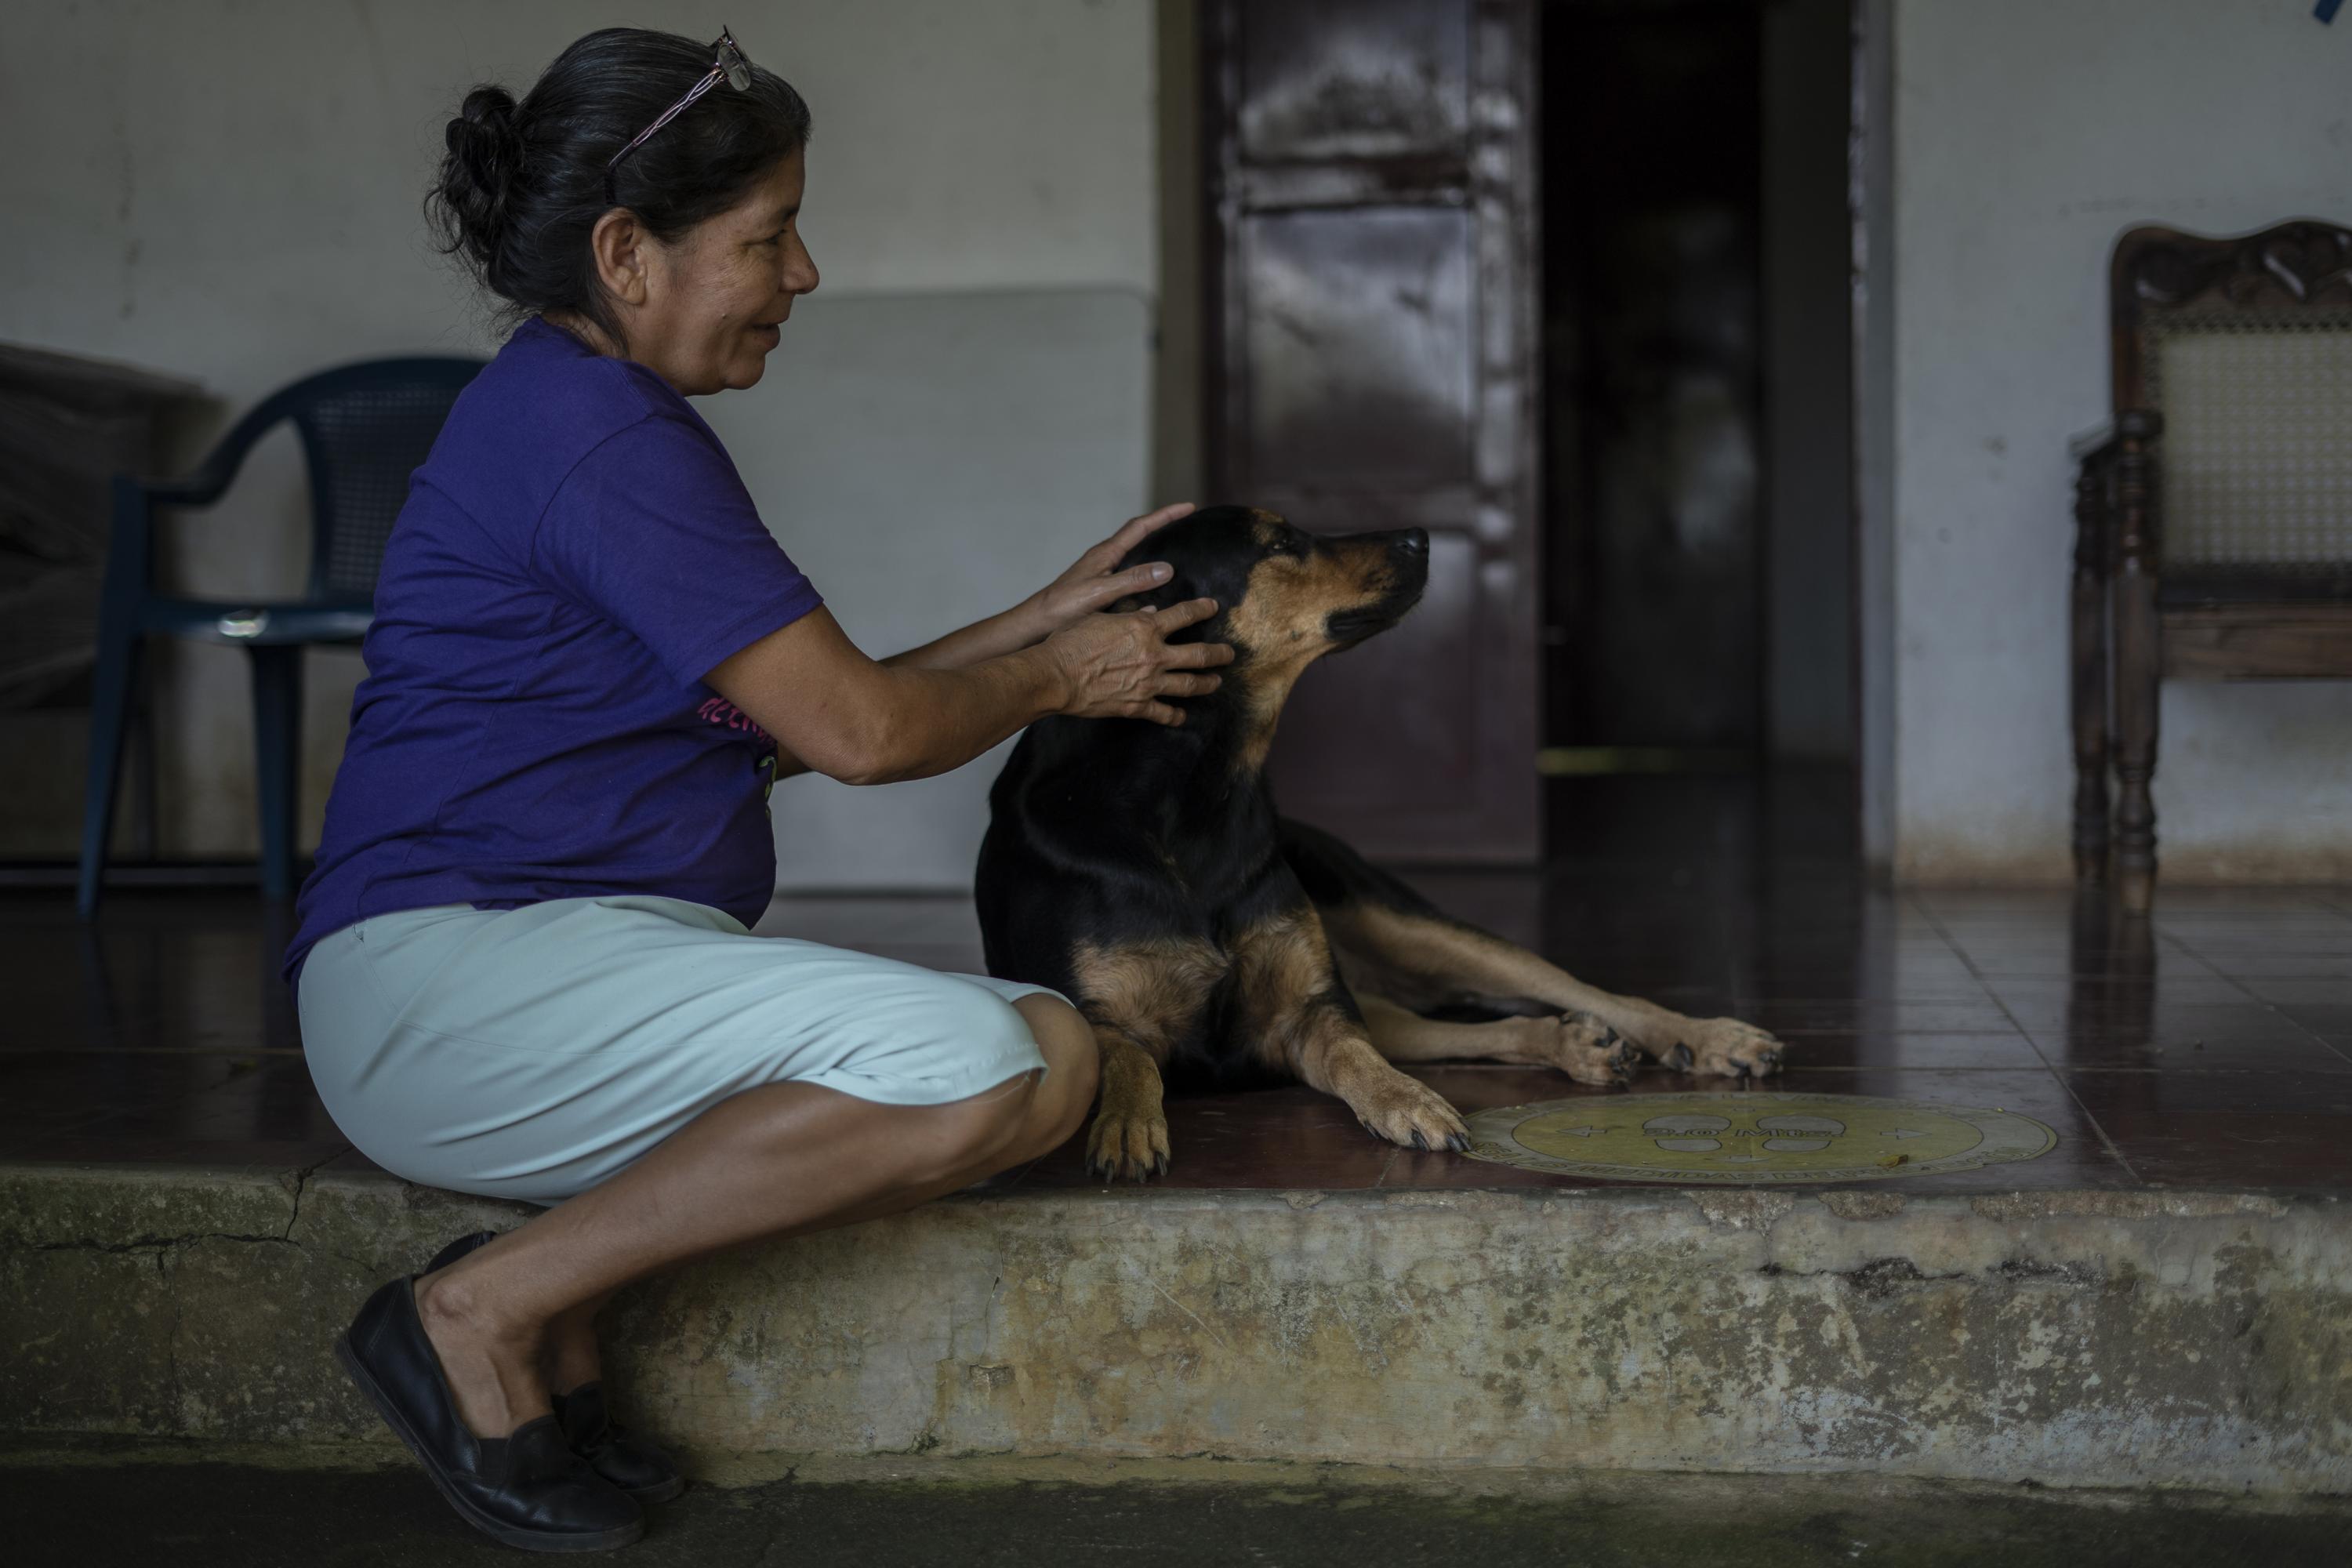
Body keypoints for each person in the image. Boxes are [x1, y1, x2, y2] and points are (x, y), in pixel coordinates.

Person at [288, 26, 1231, 1552]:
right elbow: (858, 731)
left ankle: (547, 1299)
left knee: (1027, 1047)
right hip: (453, 984)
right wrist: (1067, 674)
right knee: (1000, 1065)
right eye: (768, 236)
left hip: (520, 971)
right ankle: (479, 1307)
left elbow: (797, 715)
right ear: (626, 253)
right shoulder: (596, 438)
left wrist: (1034, 626)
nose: (802, 275)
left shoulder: (574, 408)